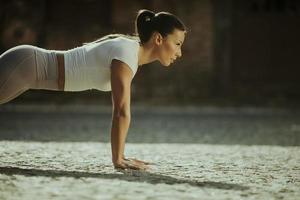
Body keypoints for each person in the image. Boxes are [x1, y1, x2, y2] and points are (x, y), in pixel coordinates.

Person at [0, 9, 186, 170]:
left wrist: (121, 157)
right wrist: (119, 159)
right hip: (25, 65)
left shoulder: (130, 53)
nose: (180, 52)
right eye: (177, 44)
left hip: (27, 71)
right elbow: (121, 111)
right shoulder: (127, 53)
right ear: (159, 39)